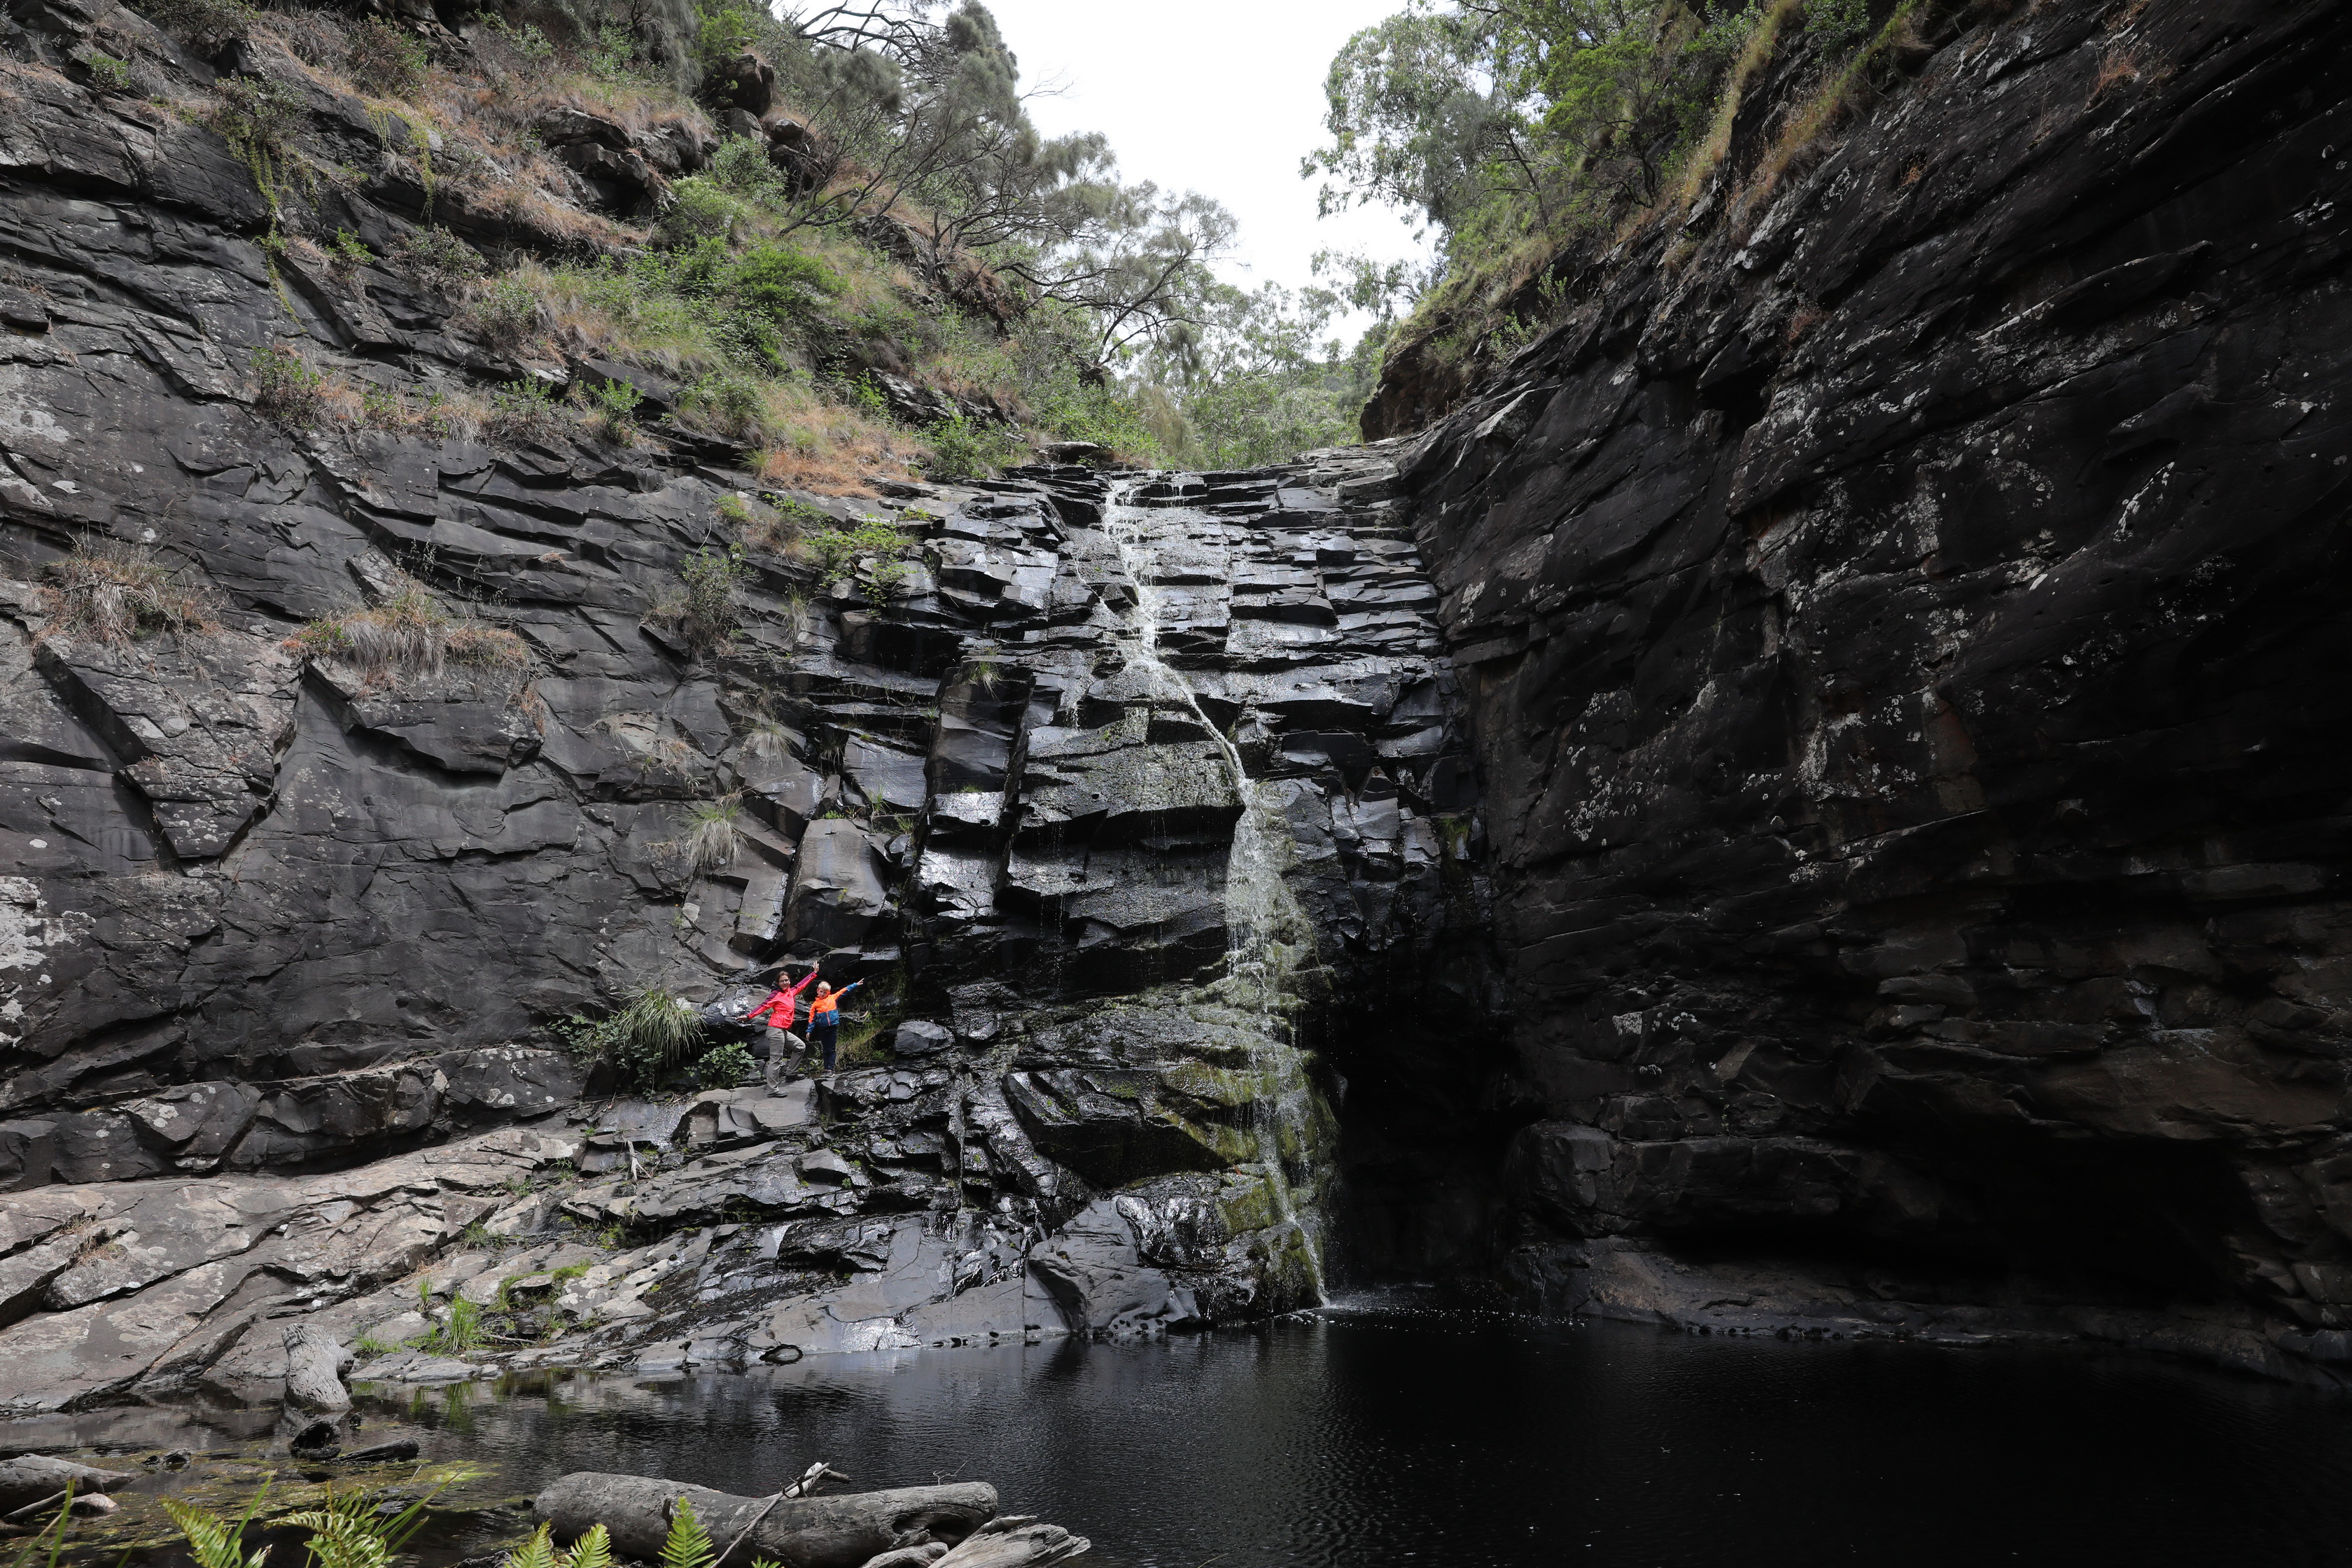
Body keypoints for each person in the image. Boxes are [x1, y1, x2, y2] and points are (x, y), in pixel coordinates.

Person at [806, 979, 862, 1072]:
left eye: (825, 992)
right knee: (825, 1049)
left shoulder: (832, 998)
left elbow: (844, 990)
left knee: (831, 1049)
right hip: (822, 1028)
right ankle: (826, 1068)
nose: (823, 994)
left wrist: (855, 984)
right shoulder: (815, 1005)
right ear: (818, 991)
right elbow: (812, 1019)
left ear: (828, 992)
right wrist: (809, 1030)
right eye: (821, 992)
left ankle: (830, 1069)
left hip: (832, 1027)